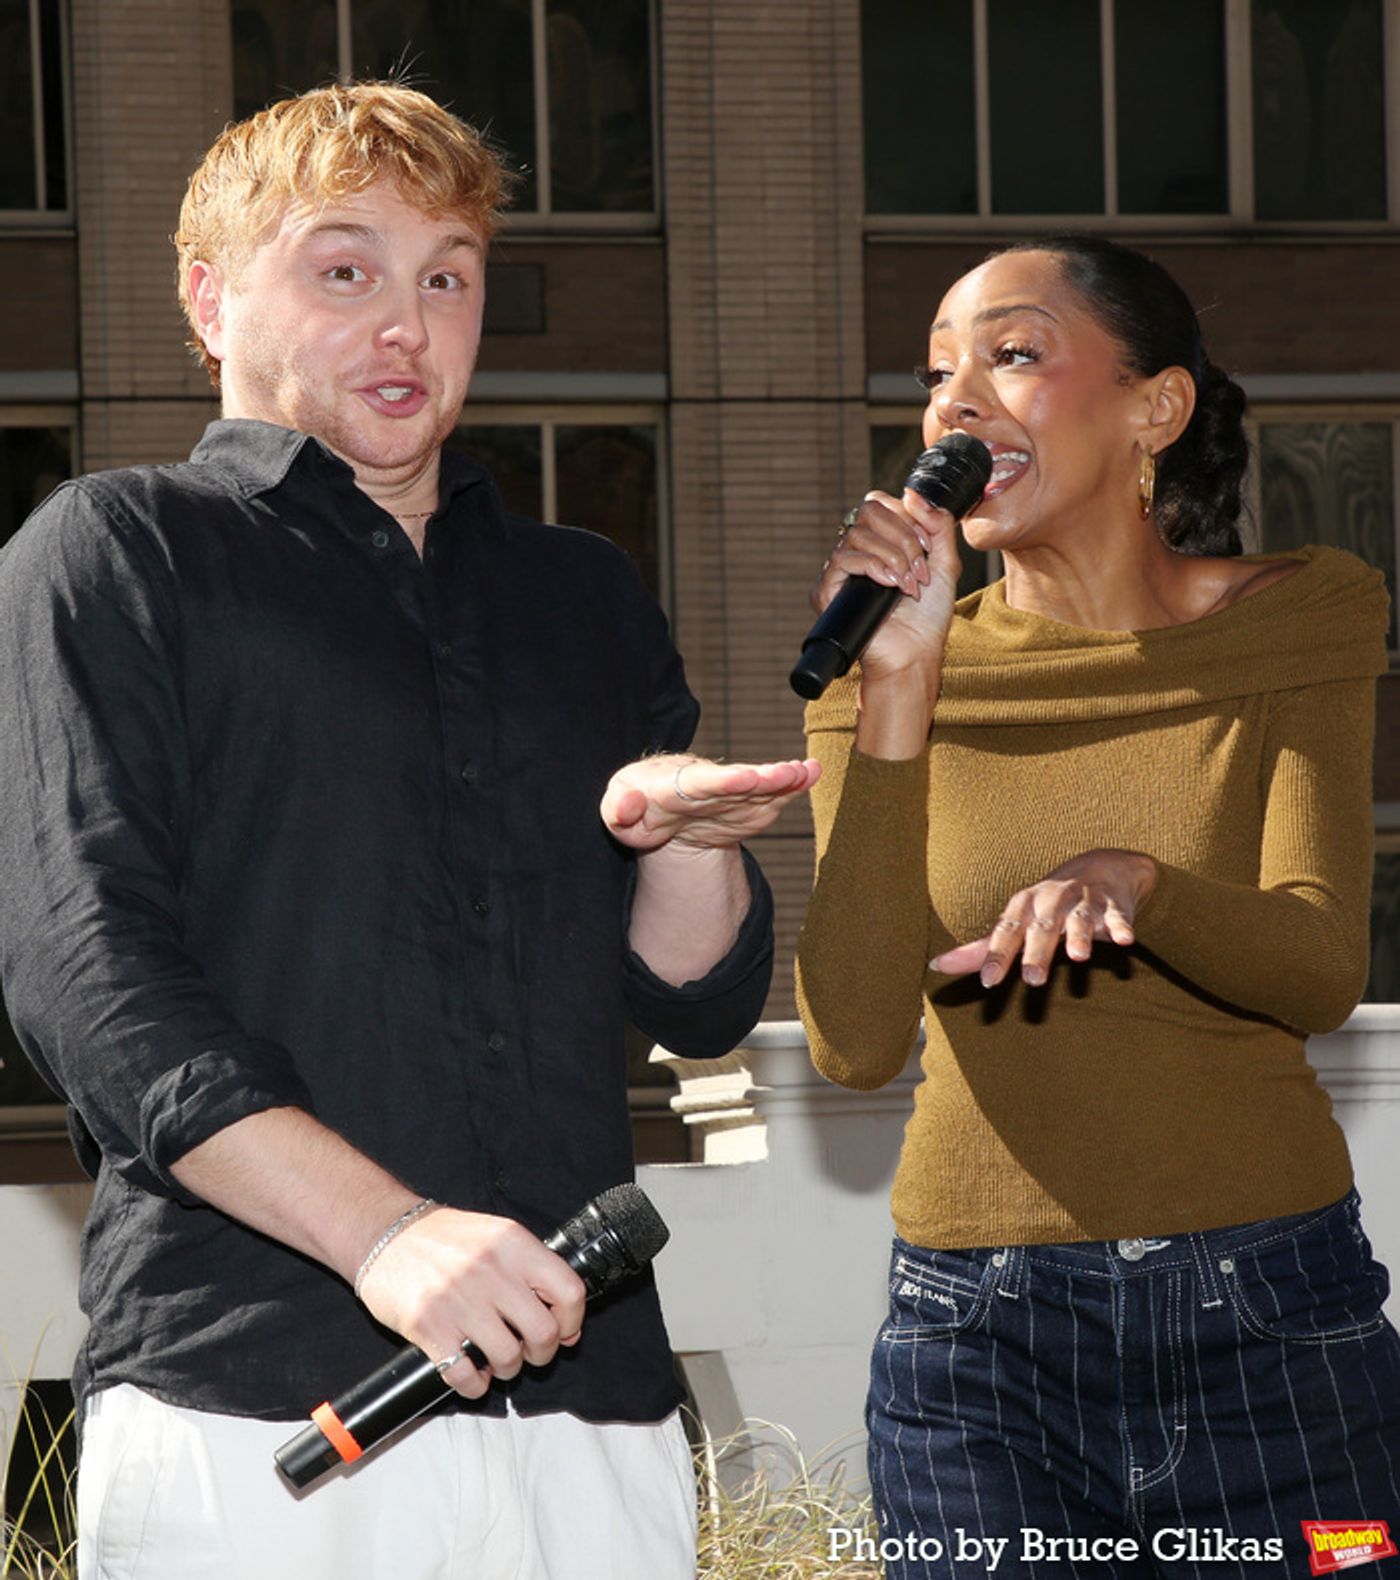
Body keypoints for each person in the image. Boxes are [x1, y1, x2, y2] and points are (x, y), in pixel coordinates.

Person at [0, 83, 818, 1580]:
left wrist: (687, 846)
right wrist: (388, 1238)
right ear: (208, 296)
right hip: (259, 1418)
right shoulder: (117, 552)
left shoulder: (583, 594)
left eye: (446, 276)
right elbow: (85, 971)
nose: (407, 322)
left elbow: (698, 1005)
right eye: (343, 268)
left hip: (596, 1417)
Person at [796, 235, 1400, 1577]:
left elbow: (1316, 966)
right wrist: (897, 687)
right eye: (939, 371)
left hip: (1277, 1325)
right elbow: (850, 1040)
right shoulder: (882, 655)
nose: (957, 401)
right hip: (972, 1349)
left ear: (1155, 408)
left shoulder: (1298, 620)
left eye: (1012, 354)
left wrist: (1139, 884)